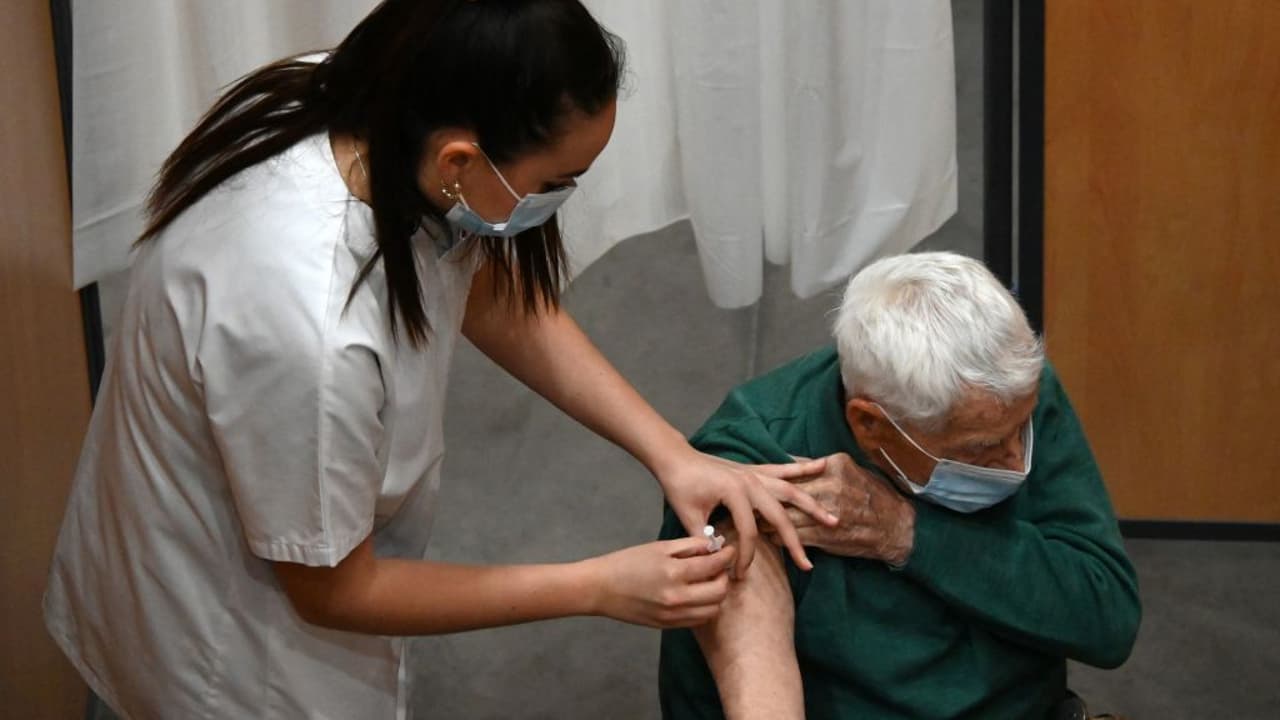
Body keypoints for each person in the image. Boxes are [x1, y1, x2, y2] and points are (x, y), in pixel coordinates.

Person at [43, 2, 836, 718]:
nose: (557, 201)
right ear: (459, 161)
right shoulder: (309, 332)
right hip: (229, 657)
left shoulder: (381, 106)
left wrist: (671, 453)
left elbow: (474, 280)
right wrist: (598, 586)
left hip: (254, 519)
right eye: (555, 181)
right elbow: (335, 590)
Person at [658, 252, 1142, 719]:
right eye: (981, 448)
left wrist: (905, 531)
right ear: (870, 424)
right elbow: (742, 681)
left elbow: (1108, 621)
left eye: (1023, 428)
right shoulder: (756, 460)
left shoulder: (1008, 395)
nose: (1016, 461)